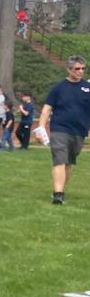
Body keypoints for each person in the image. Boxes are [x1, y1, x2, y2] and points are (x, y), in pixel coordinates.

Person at [37, 55, 90, 204]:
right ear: (69, 69)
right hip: (60, 129)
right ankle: (58, 194)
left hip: (79, 131)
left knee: (68, 163)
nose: (80, 71)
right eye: (77, 69)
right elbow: (47, 109)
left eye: (83, 69)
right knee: (59, 160)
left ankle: (61, 190)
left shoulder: (88, 87)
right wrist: (41, 128)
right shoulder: (58, 88)